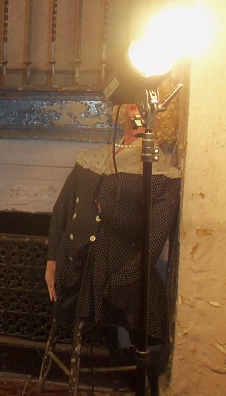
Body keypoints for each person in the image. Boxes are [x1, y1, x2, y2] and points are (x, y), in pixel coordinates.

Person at [45, 101, 181, 348]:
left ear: (164, 114)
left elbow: (152, 242)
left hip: (113, 275)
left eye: (147, 100)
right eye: (134, 97)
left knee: (147, 305)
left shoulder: (162, 175)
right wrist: (52, 259)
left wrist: (117, 286)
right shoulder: (91, 158)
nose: (137, 104)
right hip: (71, 265)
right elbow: (61, 211)